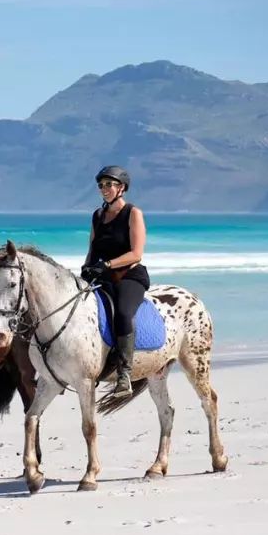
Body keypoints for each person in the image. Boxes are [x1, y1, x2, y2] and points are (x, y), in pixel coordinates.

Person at [80, 165, 149, 399]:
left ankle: (124, 374)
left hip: (130, 275)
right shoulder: (97, 216)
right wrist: (87, 269)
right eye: (101, 185)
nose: (104, 189)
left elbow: (136, 254)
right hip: (104, 277)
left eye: (109, 184)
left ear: (122, 188)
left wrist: (108, 264)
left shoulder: (133, 213)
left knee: (122, 313)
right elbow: (92, 248)